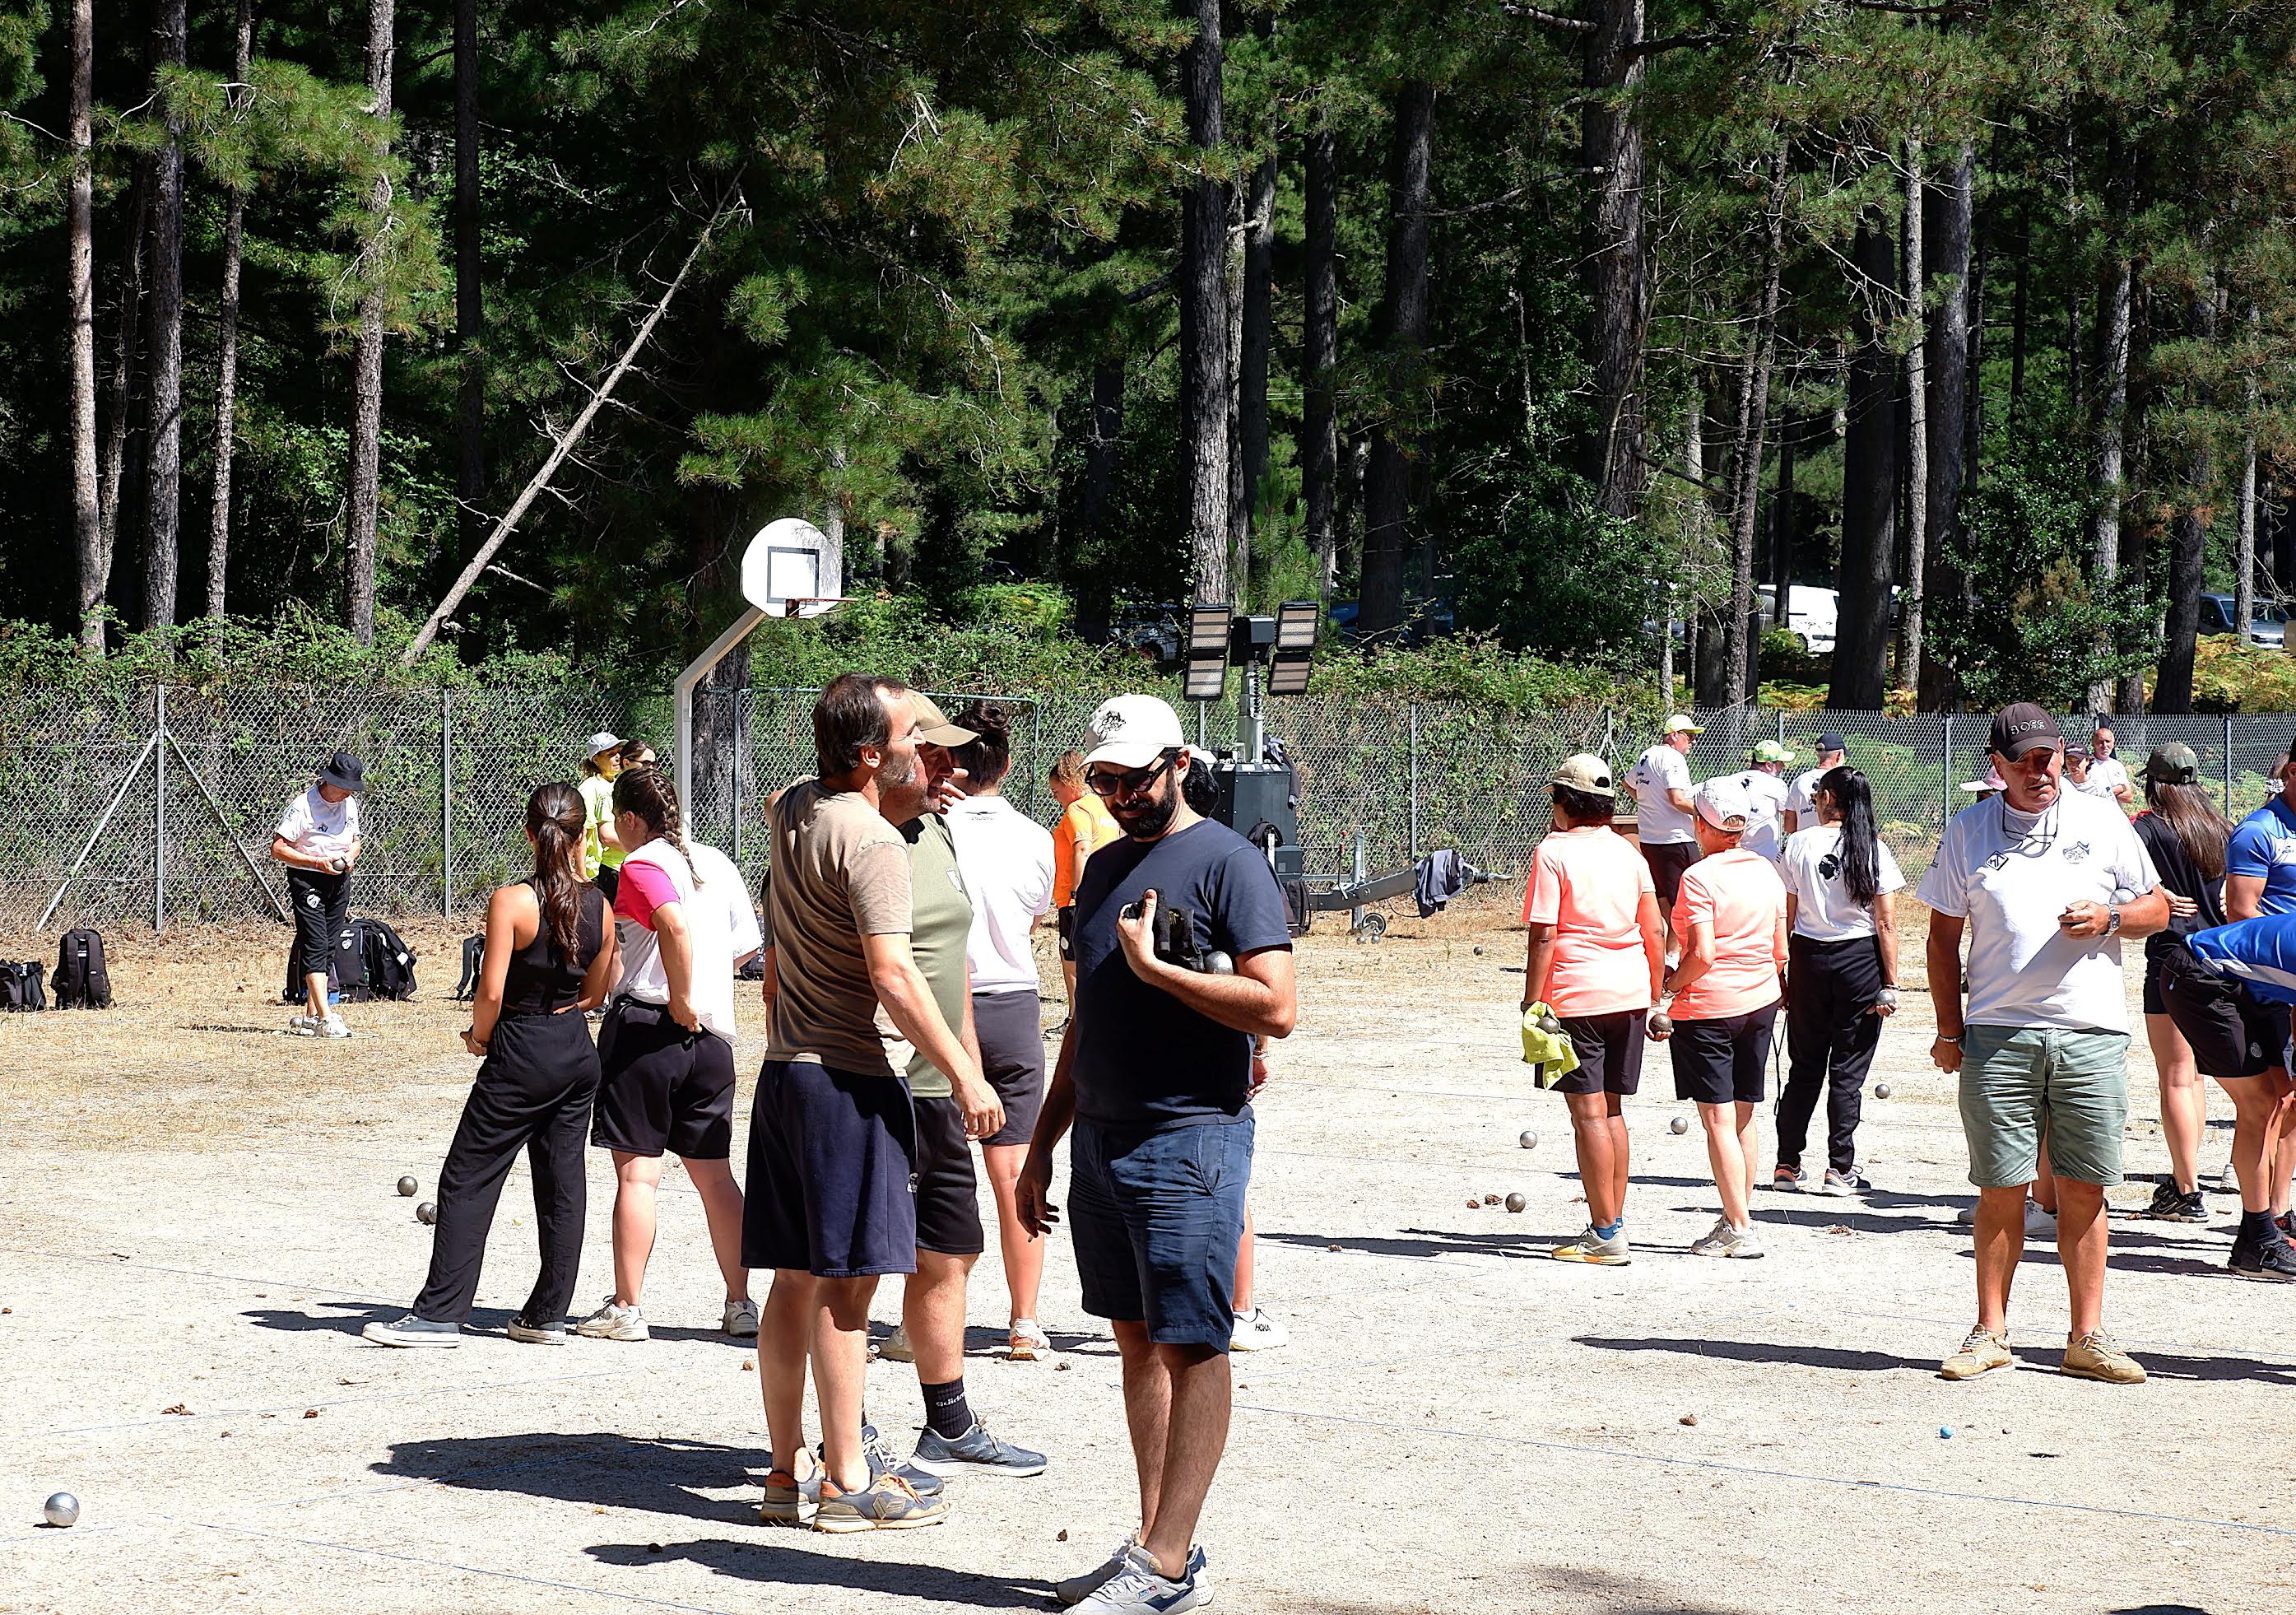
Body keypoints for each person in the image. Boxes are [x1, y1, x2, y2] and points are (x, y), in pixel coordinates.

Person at [1019, 694, 1296, 1613]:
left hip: (1189, 1138)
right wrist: (1041, 1147)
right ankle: (1155, 1550)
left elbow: (1279, 1008)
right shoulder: (1099, 869)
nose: (1121, 794)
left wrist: (1164, 973)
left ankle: (1169, 1563)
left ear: (1179, 764)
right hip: (1099, 1137)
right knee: (1135, 1341)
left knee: (1191, 1343)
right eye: (1104, 780)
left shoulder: (1228, 862)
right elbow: (1084, 1020)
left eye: (1135, 777)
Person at [746, 673, 988, 1533]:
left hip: (783, 1079)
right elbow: (892, 974)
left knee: (791, 1284)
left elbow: (793, 788)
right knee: (850, 1296)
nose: (927, 751)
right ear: (868, 755)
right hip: (848, 1085)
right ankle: (848, 1484)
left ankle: (785, 1473)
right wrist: (965, 1070)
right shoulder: (875, 843)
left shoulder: (797, 808)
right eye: (912, 738)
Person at [1918, 703, 2168, 1386]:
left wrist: (2112, 915)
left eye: (2048, 758)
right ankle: (1989, 1333)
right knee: (2001, 1187)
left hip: (2091, 1033)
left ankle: (2086, 1336)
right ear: (1995, 767)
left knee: (2085, 1188)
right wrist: (1948, 1029)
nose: (2039, 773)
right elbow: (1941, 942)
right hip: (1999, 1034)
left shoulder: (2102, 819)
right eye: (2022, 762)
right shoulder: (1968, 832)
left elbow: (2157, 907)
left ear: (2063, 753)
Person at [864, 695, 1048, 1478]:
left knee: (950, 1251)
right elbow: (890, 974)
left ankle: (947, 1420)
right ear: (881, 754)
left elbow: (954, 968)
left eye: (954, 756)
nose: (951, 768)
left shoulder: (935, 828)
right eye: (931, 752)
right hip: (874, 1079)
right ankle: (845, 1433)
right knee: (854, 1264)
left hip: (939, 1081)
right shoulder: (855, 831)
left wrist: (970, 1070)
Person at [365, 784, 618, 1347]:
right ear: (580, 838)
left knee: (467, 1176)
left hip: (522, 1047)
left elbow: (491, 990)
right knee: (562, 1183)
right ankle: (547, 1315)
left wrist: (480, 1037)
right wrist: (561, 1011)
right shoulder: (600, 902)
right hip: (576, 1050)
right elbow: (601, 989)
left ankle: (439, 1314)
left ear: (530, 834)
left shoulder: (511, 901)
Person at [577, 765, 761, 1343]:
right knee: (716, 1179)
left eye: (615, 824)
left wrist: (679, 995)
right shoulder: (717, 862)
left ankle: (628, 1307)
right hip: (712, 1042)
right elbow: (746, 949)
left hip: (651, 1030)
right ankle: (740, 1303)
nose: (614, 835)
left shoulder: (642, 863)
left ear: (633, 819)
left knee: (639, 1178)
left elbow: (673, 927)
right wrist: (701, 991)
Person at [943, 700, 1060, 1360]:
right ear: (1008, 765)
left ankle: (924, 1313)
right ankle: (1025, 1320)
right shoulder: (1036, 835)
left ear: (950, 761)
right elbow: (1037, 916)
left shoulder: (929, 830)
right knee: (1016, 1170)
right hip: (1015, 1001)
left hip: (943, 1007)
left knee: (932, 1168)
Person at [1520, 754, 1664, 1265]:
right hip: (1627, 992)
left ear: (1564, 802)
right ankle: (1612, 1219)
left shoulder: (1553, 852)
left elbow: (1545, 934)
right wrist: (1654, 993)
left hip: (1576, 994)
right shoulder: (1629, 853)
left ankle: (1606, 1233)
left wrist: (1533, 999)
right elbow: (1655, 930)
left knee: (1587, 1115)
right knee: (1614, 1111)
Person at [1179, 757, 1289, 1352]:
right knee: (1231, 1188)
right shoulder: (1233, 863)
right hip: (1218, 1053)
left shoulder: (1156, 863)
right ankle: (1241, 1310)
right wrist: (1257, 1049)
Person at [1660, 777, 1787, 1259]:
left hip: (1710, 1006)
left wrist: (1670, 989)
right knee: (1743, 1116)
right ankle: (1738, 1214)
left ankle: (1739, 1228)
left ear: (1701, 825)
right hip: (1761, 1002)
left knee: (1716, 1119)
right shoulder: (1766, 871)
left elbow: (1704, 954)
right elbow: (1779, 951)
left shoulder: (1699, 877)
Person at [1774, 766, 1903, 1195]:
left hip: (1809, 956)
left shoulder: (1796, 844)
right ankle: (1839, 1167)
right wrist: (1891, 982)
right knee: (1848, 1067)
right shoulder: (1873, 848)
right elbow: (1885, 922)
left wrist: (1782, 969)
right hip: (1858, 959)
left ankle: (1787, 1162)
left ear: (1829, 797)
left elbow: (1786, 914)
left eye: (1817, 794)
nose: (1813, 800)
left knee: (1805, 1065)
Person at [2196, 737, 2296, 1266]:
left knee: (2290, 1102)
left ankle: (2278, 1215)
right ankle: (2257, 1231)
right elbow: (2240, 911)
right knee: (2266, 1103)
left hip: (2289, 976)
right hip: (2254, 980)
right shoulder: (2260, 831)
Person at [2130, 744, 2229, 1225]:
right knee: (2196, 1077)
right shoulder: (2221, 828)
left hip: (2172, 959)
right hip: (2224, 960)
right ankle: (2189, 1178)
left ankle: (2187, 1189)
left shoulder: (2146, 829)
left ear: (2155, 782)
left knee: (2175, 1075)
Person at [271, 750, 365, 1038]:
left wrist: (350, 856)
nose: (347, 793)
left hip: (338, 879)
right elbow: (278, 848)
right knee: (315, 941)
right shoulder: (304, 806)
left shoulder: (349, 805)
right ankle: (327, 1018)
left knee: (329, 944)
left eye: (352, 788)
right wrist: (315, 862)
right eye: (343, 787)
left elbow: (355, 841)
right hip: (308, 878)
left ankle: (311, 1017)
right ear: (329, 781)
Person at [1052, 748, 1122, 1013]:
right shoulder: (1104, 806)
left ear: (1070, 783)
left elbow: (1082, 848)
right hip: (1107, 892)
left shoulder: (1077, 810)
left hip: (1077, 896)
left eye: (1057, 793)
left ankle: (1075, 1015)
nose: (1057, 800)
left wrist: (1075, 893)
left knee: (1070, 959)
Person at [1625, 714, 1703, 933]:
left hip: (1650, 840)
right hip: (1676, 840)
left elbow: (1629, 784)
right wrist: (1705, 813)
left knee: (1664, 900)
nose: (1692, 741)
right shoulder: (1673, 758)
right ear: (1674, 735)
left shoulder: (1647, 755)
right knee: (1687, 902)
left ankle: (1670, 951)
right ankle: (1679, 951)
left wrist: (1648, 801)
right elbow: (1677, 799)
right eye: (1688, 736)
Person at [1717, 740, 1794, 863]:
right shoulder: (1776, 784)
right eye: (1780, 763)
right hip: (1766, 858)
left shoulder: (1731, 780)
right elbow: (1789, 815)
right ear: (1769, 765)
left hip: (1733, 855)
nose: (1783, 767)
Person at [578, 732, 629, 903]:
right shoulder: (590, 788)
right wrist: (582, 874)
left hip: (623, 865)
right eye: (610, 754)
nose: (617, 758)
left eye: (618, 752)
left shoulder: (619, 784)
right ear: (596, 759)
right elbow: (582, 833)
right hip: (598, 872)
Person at [1782, 733, 1846, 836]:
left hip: (1805, 845)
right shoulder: (1843, 780)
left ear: (1818, 754)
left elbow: (1789, 826)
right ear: (1839, 756)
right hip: (1836, 844)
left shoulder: (1799, 781)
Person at [2088, 726, 2135, 809]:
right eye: (2100, 742)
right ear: (2093, 744)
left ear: (2113, 744)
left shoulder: (2118, 766)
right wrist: (2120, 788)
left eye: (2108, 741)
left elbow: (2129, 798)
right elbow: (2088, 795)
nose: (2105, 745)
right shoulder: (2087, 765)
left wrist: (2104, 794)